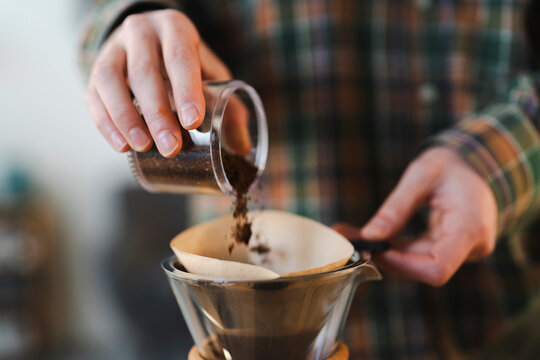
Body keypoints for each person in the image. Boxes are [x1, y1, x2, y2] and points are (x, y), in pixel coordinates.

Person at [80, 0, 540, 358]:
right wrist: (135, 22)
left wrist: (500, 155)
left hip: (497, 323)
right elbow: (109, 12)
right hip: (246, 326)